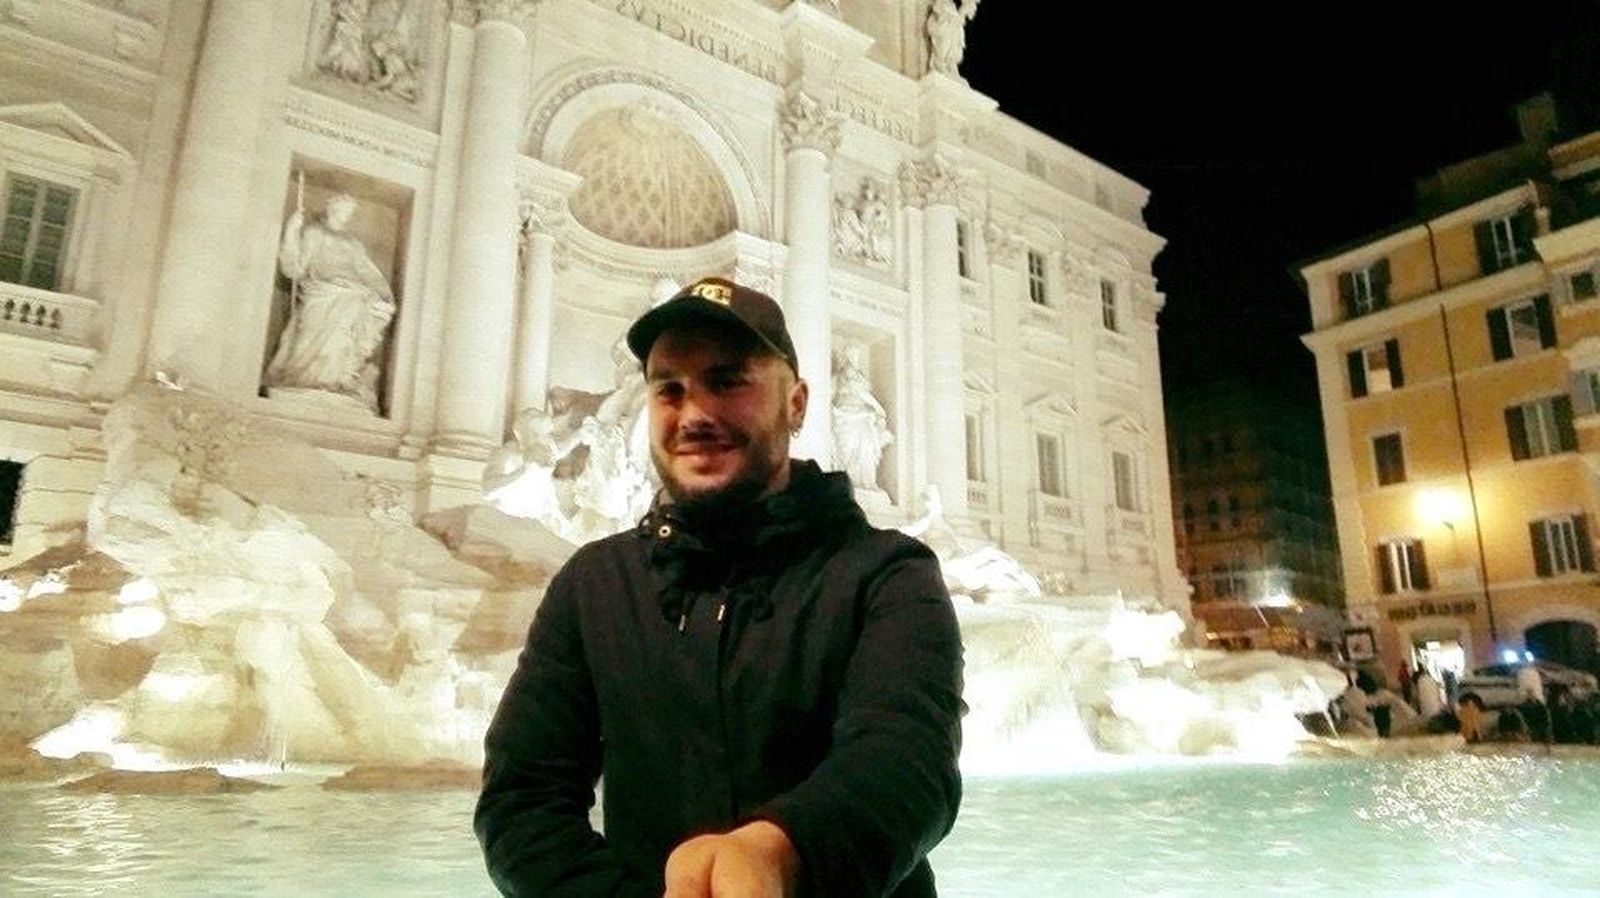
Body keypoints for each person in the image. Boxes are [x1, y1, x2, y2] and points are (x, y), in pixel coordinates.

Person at [475, 276, 965, 897]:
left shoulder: (889, 573)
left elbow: (908, 761)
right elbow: (521, 800)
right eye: (669, 389)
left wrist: (782, 853)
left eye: (728, 381)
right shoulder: (593, 584)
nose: (694, 414)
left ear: (796, 404)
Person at [267, 192, 396, 412]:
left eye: (350, 211)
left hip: (355, 292)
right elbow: (294, 268)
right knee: (339, 313)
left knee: (359, 312)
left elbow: (368, 272)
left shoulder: (353, 243)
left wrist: (385, 296)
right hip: (322, 291)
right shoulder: (314, 232)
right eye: (344, 209)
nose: (347, 214)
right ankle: (306, 379)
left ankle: (339, 379)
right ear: (332, 209)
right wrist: (291, 231)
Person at [831, 341, 893, 490]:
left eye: (857, 355)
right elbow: (860, 393)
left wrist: (877, 410)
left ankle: (866, 482)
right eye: (852, 354)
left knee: (867, 447)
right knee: (849, 447)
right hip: (846, 416)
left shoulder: (860, 376)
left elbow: (864, 395)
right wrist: (879, 408)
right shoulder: (843, 376)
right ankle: (851, 481)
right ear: (847, 356)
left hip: (863, 418)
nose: (855, 358)